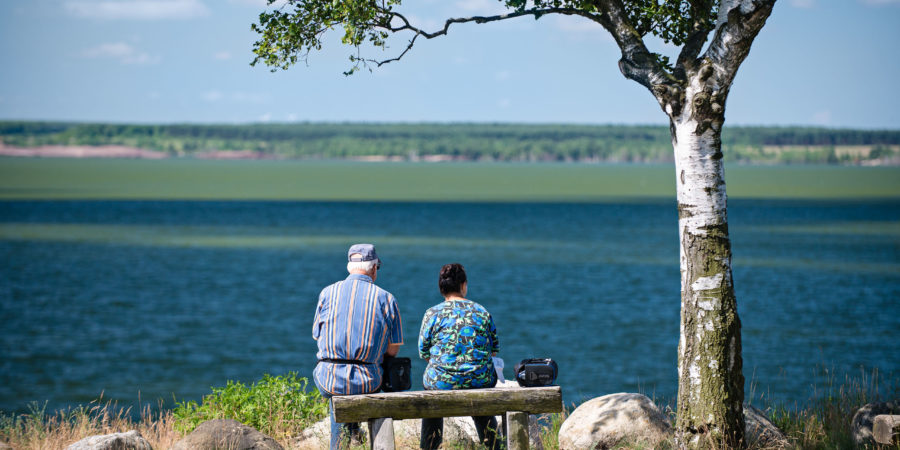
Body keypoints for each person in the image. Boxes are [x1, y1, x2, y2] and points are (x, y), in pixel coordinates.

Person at [312, 243, 403, 450]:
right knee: (360, 384)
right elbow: (393, 350)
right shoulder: (387, 298)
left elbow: (317, 336)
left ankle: (348, 435)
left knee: (340, 392)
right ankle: (354, 432)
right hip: (368, 380)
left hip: (328, 378)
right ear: (374, 268)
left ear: (349, 267)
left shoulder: (327, 293)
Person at [418, 263, 501, 450]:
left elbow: (424, 352)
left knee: (432, 392)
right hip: (479, 381)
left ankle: (430, 446)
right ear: (463, 285)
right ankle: (493, 445)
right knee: (481, 394)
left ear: (441, 287)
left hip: (441, 383)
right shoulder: (481, 311)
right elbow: (494, 350)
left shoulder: (432, 313)